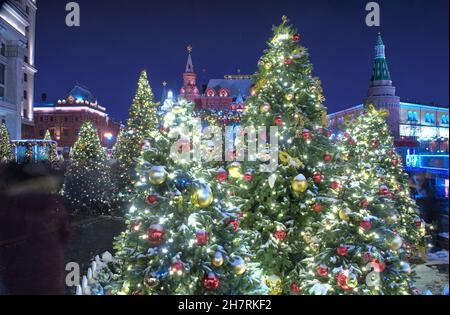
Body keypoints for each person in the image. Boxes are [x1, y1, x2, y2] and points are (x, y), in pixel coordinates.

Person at [0, 162, 71, 295]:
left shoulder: (9, 204)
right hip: (50, 266)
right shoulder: (52, 202)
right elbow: (65, 234)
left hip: (16, 270)